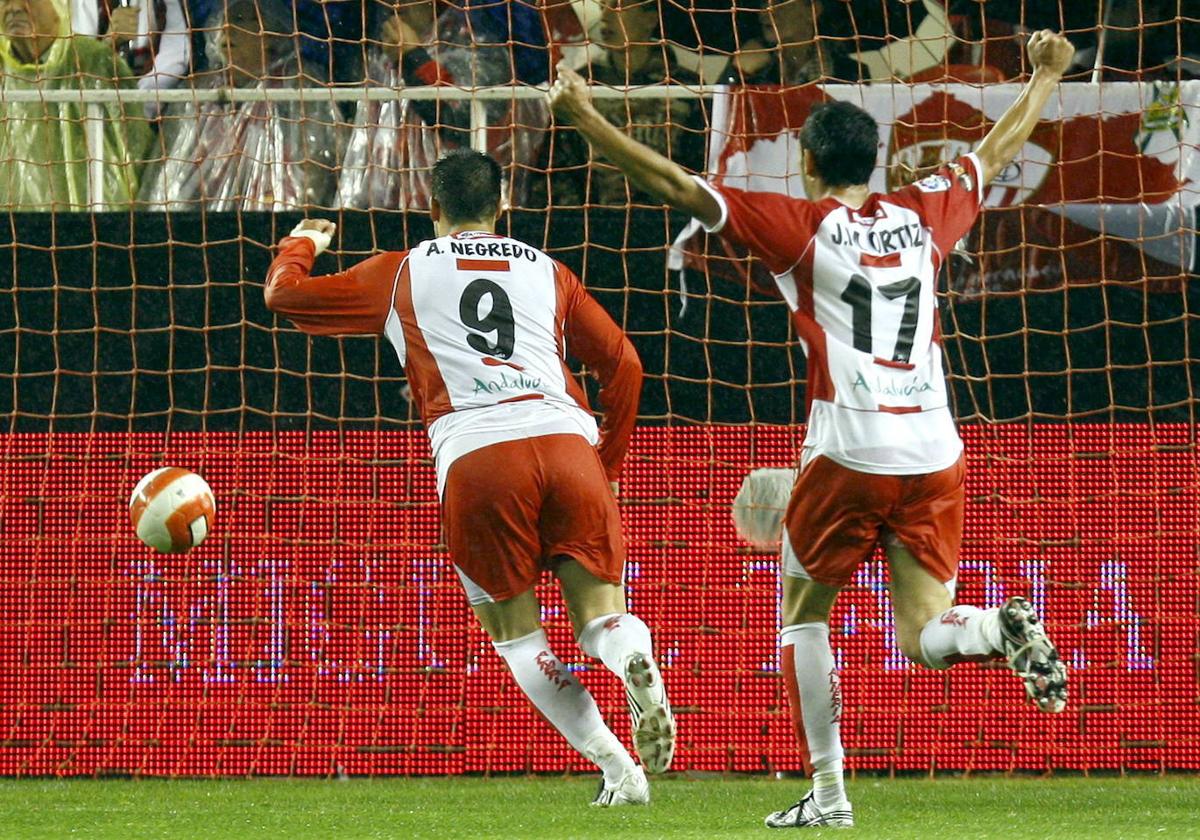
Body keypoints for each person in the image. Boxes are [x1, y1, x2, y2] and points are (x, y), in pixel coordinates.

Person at [550, 29, 1075, 828]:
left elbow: (677, 185)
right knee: (926, 626)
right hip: (935, 448)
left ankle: (830, 798)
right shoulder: (926, 209)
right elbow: (997, 149)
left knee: (803, 615)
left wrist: (586, 119)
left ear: (807, 161)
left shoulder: (799, 223)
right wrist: (1044, 75)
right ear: (878, 161)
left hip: (848, 447)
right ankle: (993, 628)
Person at [265, 149, 676, 806]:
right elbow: (624, 365)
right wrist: (609, 466)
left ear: (432, 211)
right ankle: (629, 650)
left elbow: (284, 297)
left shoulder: (401, 271)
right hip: (570, 447)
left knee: (517, 637)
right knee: (601, 618)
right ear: (502, 210)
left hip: (479, 456)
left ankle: (619, 768)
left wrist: (300, 243)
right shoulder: (548, 270)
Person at [337, 1, 548, 211]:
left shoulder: (479, 45)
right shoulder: (379, 56)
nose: (396, 5)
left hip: (458, 213)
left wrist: (413, 58)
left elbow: (459, 120)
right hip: (388, 208)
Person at [139, 0, 342, 211]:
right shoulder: (199, 90)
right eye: (223, 20)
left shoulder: (299, 84)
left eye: (239, 20)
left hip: (273, 218)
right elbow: (168, 176)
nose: (226, 29)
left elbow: (314, 169)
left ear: (270, 34)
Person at [530, 0, 704, 209]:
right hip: (595, 223)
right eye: (604, 8)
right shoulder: (581, 87)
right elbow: (557, 167)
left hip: (671, 219)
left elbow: (701, 164)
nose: (605, 17)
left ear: (650, 19)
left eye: (619, 7)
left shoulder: (685, 87)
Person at [0, 0, 153, 210]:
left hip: (91, 222)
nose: (14, 8)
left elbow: (134, 150)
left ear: (59, 7)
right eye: (5, 1)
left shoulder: (95, 61)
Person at [69, 0, 191, 116]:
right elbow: (69, 72)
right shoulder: (74, 7)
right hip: (92, 115)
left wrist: (134, 108)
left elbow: (175, 58)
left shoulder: (163, 5)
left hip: (148, 113)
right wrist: (107, 43)